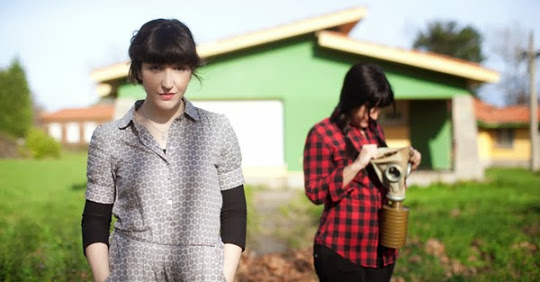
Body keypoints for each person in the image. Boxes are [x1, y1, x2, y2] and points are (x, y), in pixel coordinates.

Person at [81, 18, 246, 282]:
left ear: (191, 70)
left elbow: (234, 211)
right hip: (131, 272)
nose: (168, 82)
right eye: (155, 67)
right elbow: (94, 220)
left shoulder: (217, 129)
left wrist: (223, 276)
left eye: (179, 68)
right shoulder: (108, 138)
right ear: (139, 70)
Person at [303, 63, 421, 282]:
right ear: (352, 99)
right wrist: (356, 165)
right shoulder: (322, 134)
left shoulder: (375, 131)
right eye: (370, 108)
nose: (375, 116)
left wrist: (407, 165)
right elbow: (315, 193)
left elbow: (384, 184)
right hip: (341, 250)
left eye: (379, 109)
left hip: (381, 250)